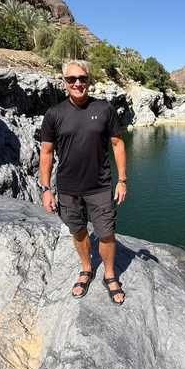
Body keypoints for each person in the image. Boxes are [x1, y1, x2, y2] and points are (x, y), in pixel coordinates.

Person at [39, 59, 127, 305]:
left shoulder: (105, 109)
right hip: (67, 187)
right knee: (77, 231)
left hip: (100, 186)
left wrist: (122, 180)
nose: (77, 83)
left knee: (106, 233)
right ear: (64, 82)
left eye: (82, 78)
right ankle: (87, 268)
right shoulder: (54, 114)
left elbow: (118, 145)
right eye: (71, 79)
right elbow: (46, 153)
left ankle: (109, 274)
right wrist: (46, 189)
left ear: (90, 81)